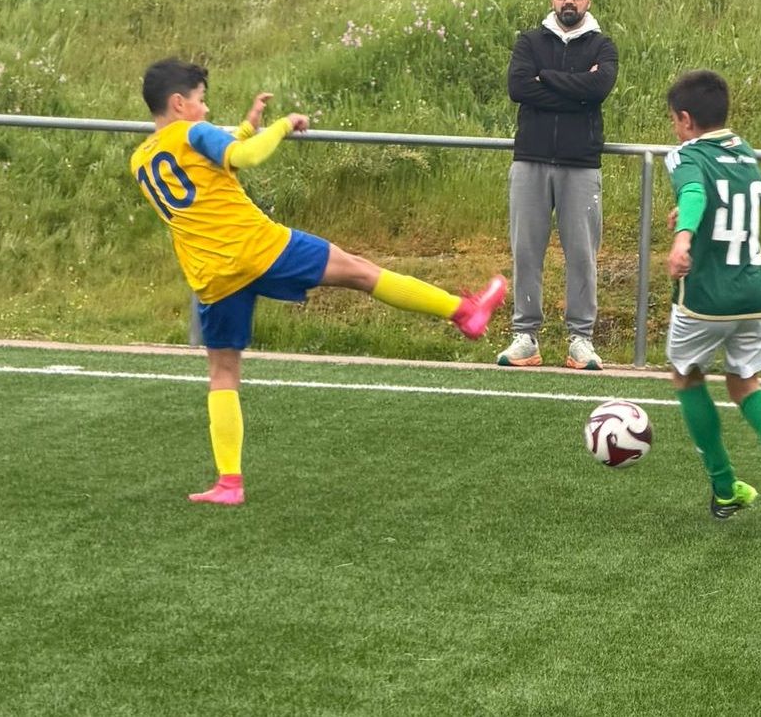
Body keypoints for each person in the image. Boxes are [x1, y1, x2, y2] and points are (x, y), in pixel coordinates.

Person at [131, 58, 507, 506]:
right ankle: (465, 312)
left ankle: (229, 482)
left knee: (223, 372)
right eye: (201, 100)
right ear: (179, 102)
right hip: (260, 248)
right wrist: (284, 125)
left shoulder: (142, 158)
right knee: (363, 273)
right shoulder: (192, 132)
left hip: (211, 276)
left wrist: (249, 126)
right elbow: (243, 158)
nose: (207, 109)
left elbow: (215, 159)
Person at [662, 69, 761, 527]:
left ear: (686, 119)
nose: (675, 128)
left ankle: (725, 486)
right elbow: (749, 198)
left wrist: (683, 237)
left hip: (706, 297)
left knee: (687, 376)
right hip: (754, 293)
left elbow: (694, 190)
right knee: (744, 384)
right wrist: (695, 215)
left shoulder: (686, 155)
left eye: (674, 120)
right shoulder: (746, 153)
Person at [497, 0, 619, 370]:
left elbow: (597, 90)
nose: (570, 0)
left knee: (581, 255)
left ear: (588, 0)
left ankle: (580, 339)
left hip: (580, 164)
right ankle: (525, 336)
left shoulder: (603, 45)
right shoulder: (529, 41)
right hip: (530, 160)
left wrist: (546, 79)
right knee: (526, 251)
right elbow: (518, 88)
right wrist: (575, 89)